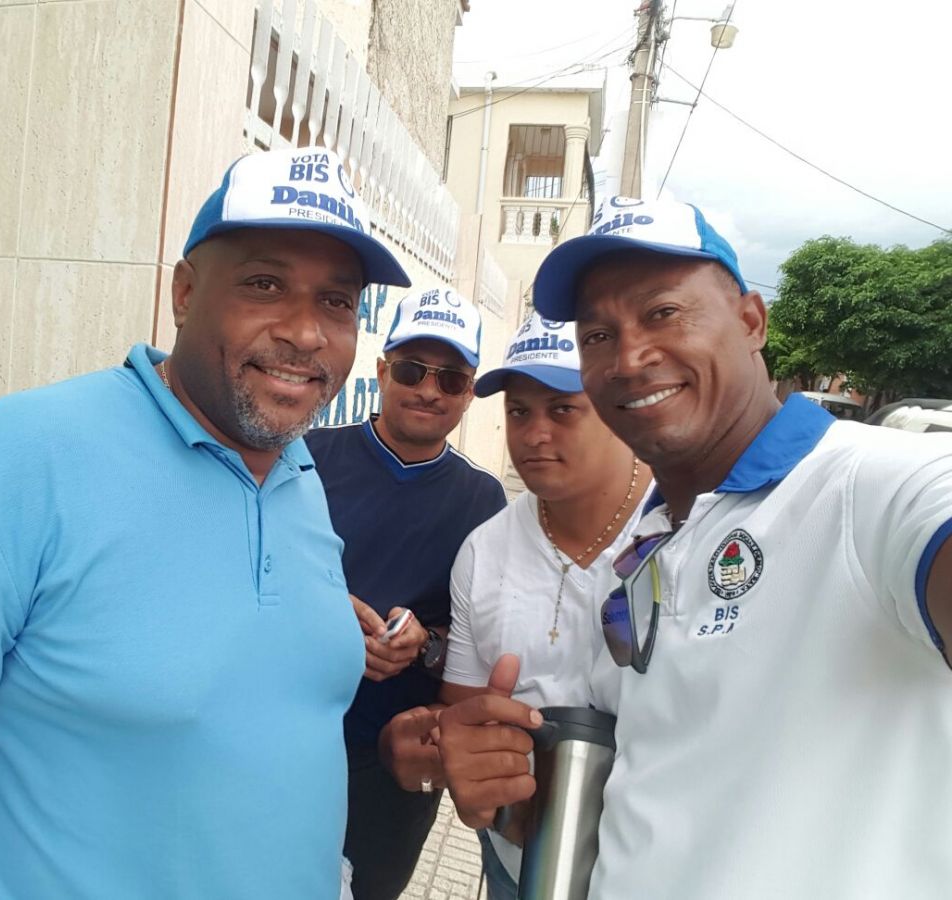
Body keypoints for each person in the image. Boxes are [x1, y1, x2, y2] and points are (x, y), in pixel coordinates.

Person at [0, 146, 412, 900]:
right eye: (265, 284)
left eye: (336, 301)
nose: (306, 332)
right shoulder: (9, 465)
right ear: (185, 292)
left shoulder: (297, 471)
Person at [438, 196, 952, 899]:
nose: (630, 358)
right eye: (598, 334)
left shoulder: (872, 487)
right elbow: (650, 786)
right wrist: (501, 786)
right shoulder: (646, 548)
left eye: (664, 312)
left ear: (751, 321)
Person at [439, 310, 652, 899]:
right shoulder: (484, 550)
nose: (534, 434)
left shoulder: (684, 525)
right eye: (518, 412)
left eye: (562, 409)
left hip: (659, 868)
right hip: (522, 857)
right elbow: (463, 705)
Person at [305, 287, 507, 900]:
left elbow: (479, 643)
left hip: (393, 762)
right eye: (413, 370)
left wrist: (424, 644)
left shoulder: (484, 501)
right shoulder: (306, 459)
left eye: (451, 379)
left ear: (468, 394)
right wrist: (320, 613)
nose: (429, 390)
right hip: (289, 736)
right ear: (382, 371)